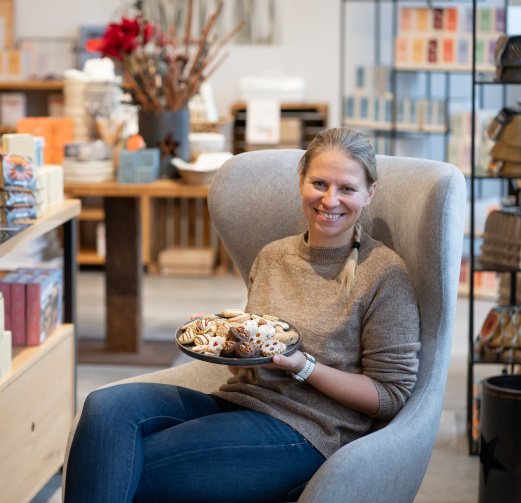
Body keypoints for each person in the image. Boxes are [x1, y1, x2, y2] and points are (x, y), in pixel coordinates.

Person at [64, 128, 421, 503]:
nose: (330, 199)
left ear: (369, 193)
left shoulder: (384, 275)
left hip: (308, 431)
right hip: (239, 402)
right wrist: (224, 341)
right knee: (104, 408)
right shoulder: (273, 256)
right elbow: (252, 358)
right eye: (319, 183)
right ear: (301, 180)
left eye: (347, 188)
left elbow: (390, 395)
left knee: (124, 468)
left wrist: (303, 366)